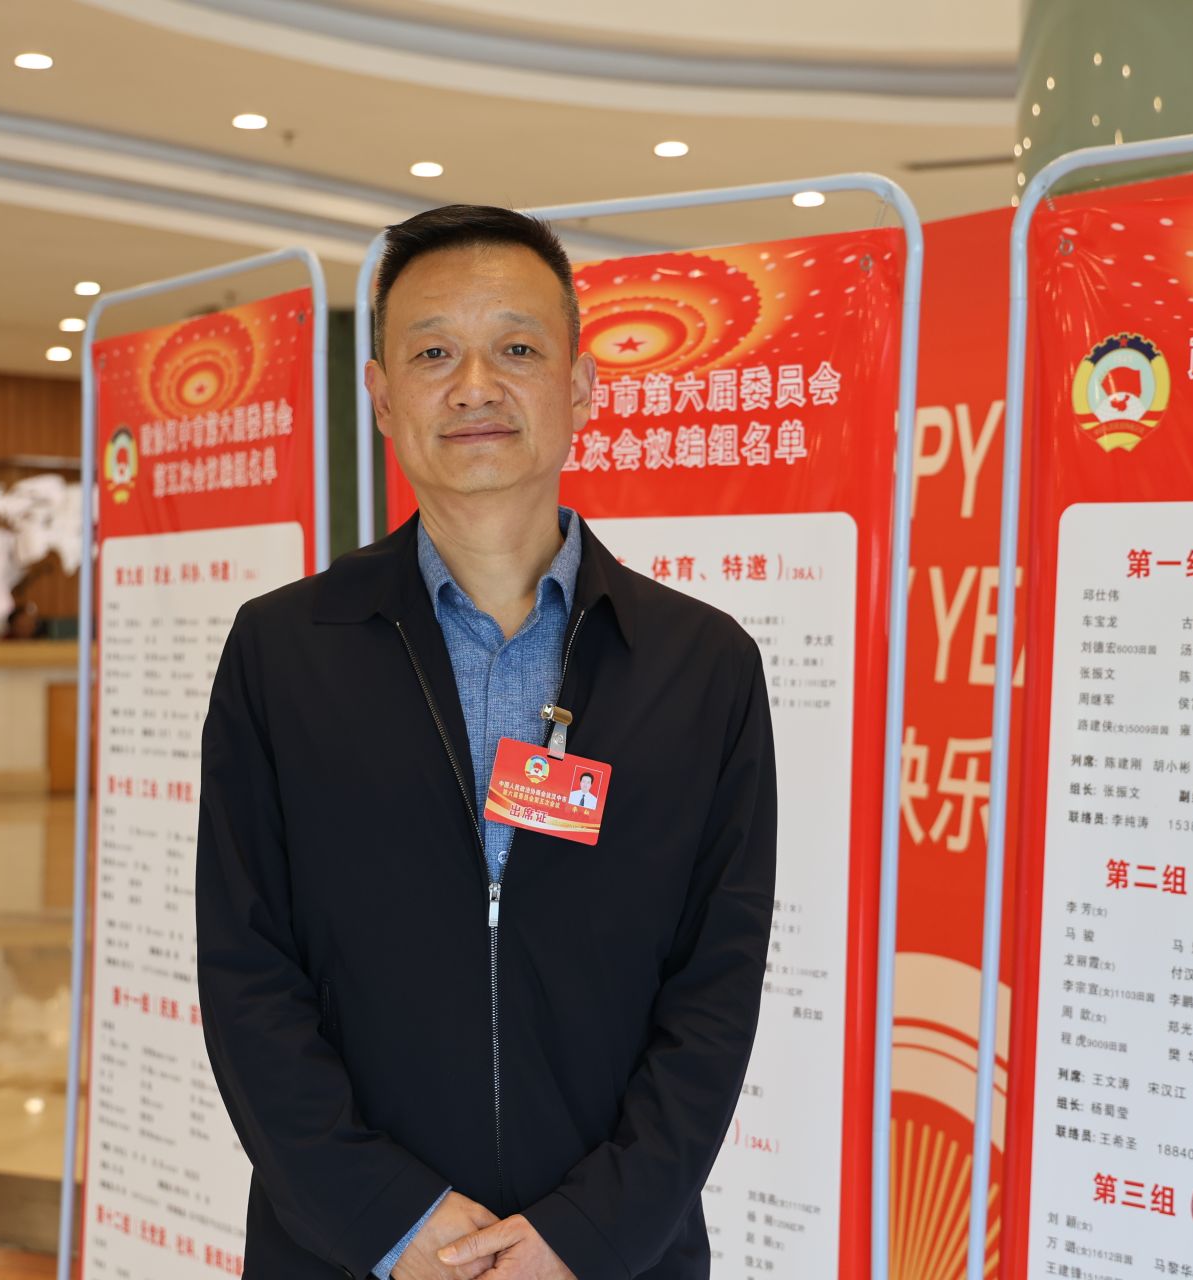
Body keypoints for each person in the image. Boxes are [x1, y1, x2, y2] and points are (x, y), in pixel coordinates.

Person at [197, 204, 777, 1280]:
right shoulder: (283, 651)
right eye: (433, 353)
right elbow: (245, 970)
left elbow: (717, 985)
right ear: (381, 396)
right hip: (350, 1250)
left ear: (581, 387)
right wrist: (391, 1222)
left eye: (516, 348)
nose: (474, 386)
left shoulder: (701, 665)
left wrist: (587, 1233)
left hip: (609, 1255)